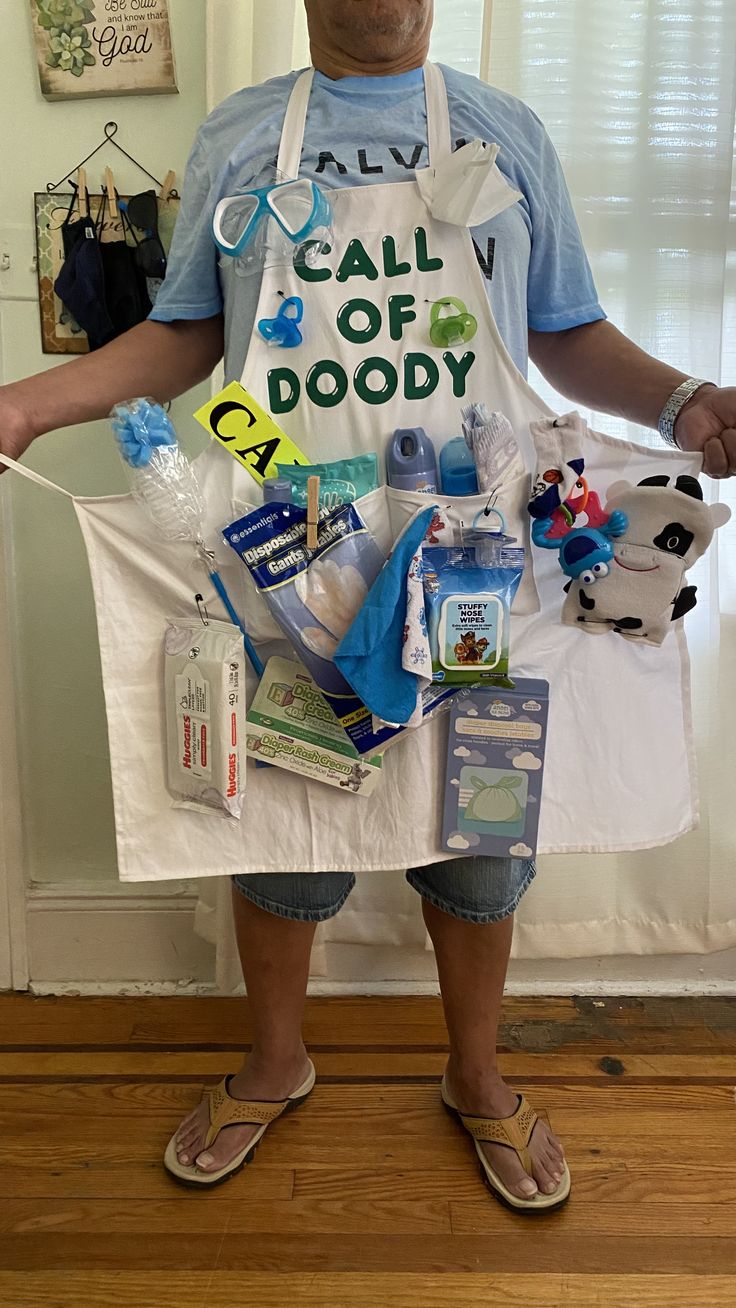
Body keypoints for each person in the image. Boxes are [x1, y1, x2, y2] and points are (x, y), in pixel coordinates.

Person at [2, 0, 735, 1211]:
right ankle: (277, 1060)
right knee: (281, 826)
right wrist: (28, 405)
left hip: (480, 548)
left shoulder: (505, 133)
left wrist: (682, 401)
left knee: (485, 821)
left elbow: (565, 335)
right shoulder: (243, 136)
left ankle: (477, 1073)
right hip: (289, 544)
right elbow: (187, 337)